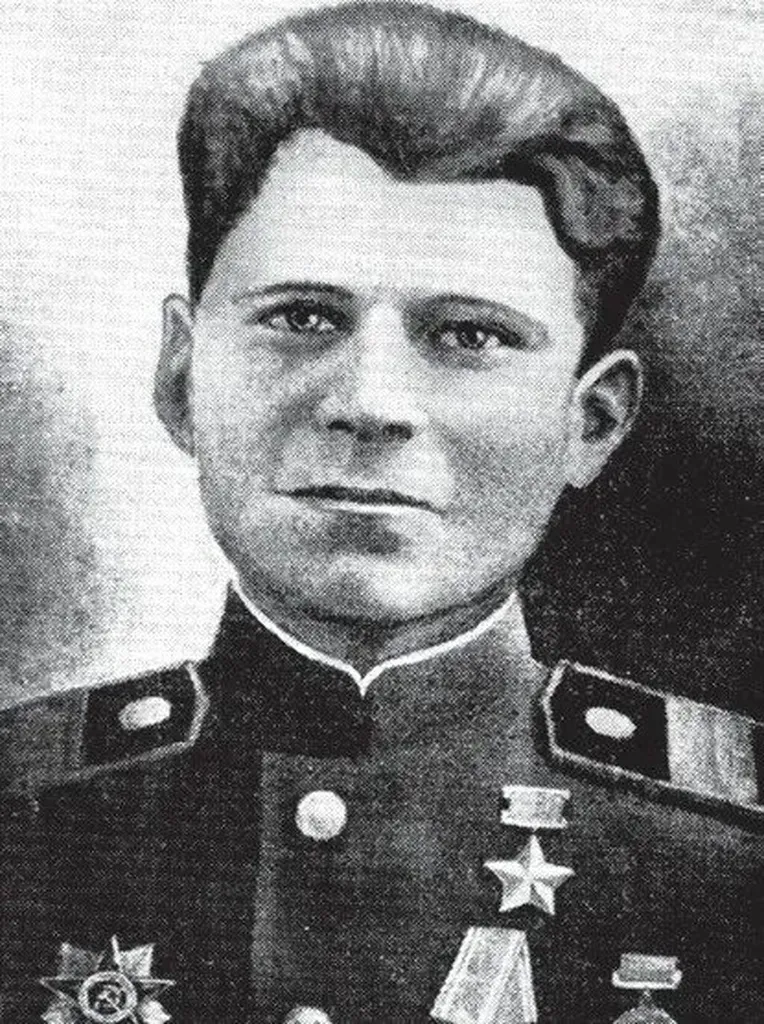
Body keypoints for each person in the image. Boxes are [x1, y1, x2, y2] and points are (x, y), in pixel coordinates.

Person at [1, 3, 761, 1023]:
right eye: (301, 317)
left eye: (469, 336)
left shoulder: (730, 851)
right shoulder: (26, 811)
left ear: (591, 421)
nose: (370, 403)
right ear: (182, 378)